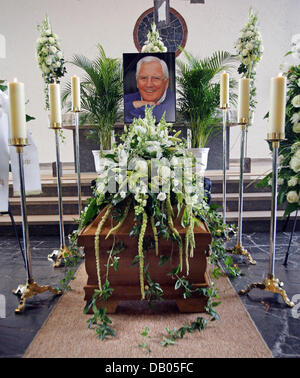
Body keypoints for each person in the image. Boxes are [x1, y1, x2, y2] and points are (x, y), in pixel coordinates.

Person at [124, 56, 175, 123]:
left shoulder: (173, 102)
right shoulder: (127, 98)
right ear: (137, 82)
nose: (149, 85)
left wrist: (129, 107)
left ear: (166, 83)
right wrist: (135, 104)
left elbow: (156, 114)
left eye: (156, 78)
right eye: (143, 78)